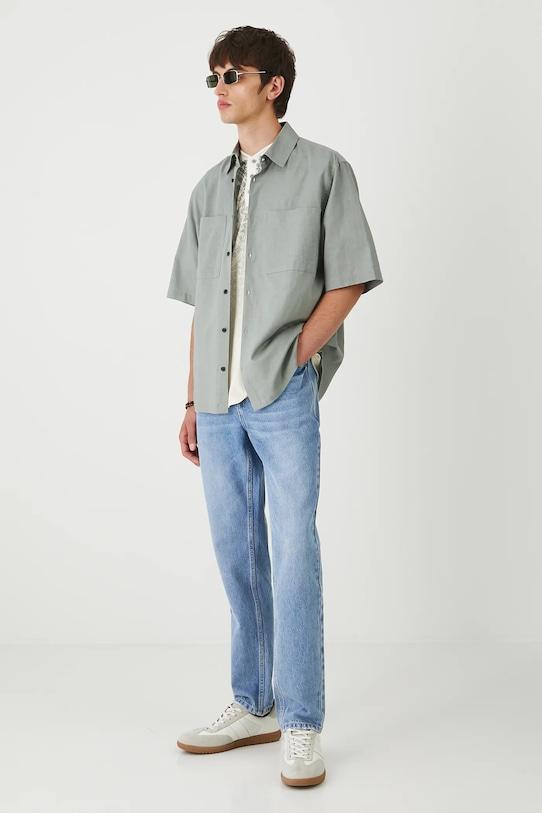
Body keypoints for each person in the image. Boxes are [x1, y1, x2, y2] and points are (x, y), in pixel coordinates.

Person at [167, 25, 383, 787]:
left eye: (233, 74)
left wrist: (296, 357)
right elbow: (203, 300)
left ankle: (301, 720)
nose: (219, 87)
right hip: (217, 401)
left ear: (274, 84)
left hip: (281, 392)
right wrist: (192, 396)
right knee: (237, 554)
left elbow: (349, 277)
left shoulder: (325, 170)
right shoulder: (207, 187)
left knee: (293, 552)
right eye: (213, 76)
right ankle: (253, 701)